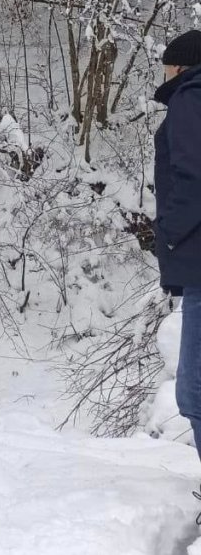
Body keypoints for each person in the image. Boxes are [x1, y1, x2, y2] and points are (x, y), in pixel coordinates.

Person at [154, 29, 201, 457]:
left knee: (195, 392)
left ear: (179, 66)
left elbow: (194, 179)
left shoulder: (190, 96)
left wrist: (167, 236)